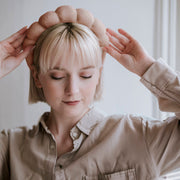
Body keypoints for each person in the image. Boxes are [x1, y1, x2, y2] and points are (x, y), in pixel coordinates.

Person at [0, 5, 180, 180]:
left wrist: (148, 68)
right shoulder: (10, 147)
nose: (73, 89)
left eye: (85, 75)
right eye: (57, 76)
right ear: (37, 77)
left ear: (98, 76)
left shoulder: (140, 138)